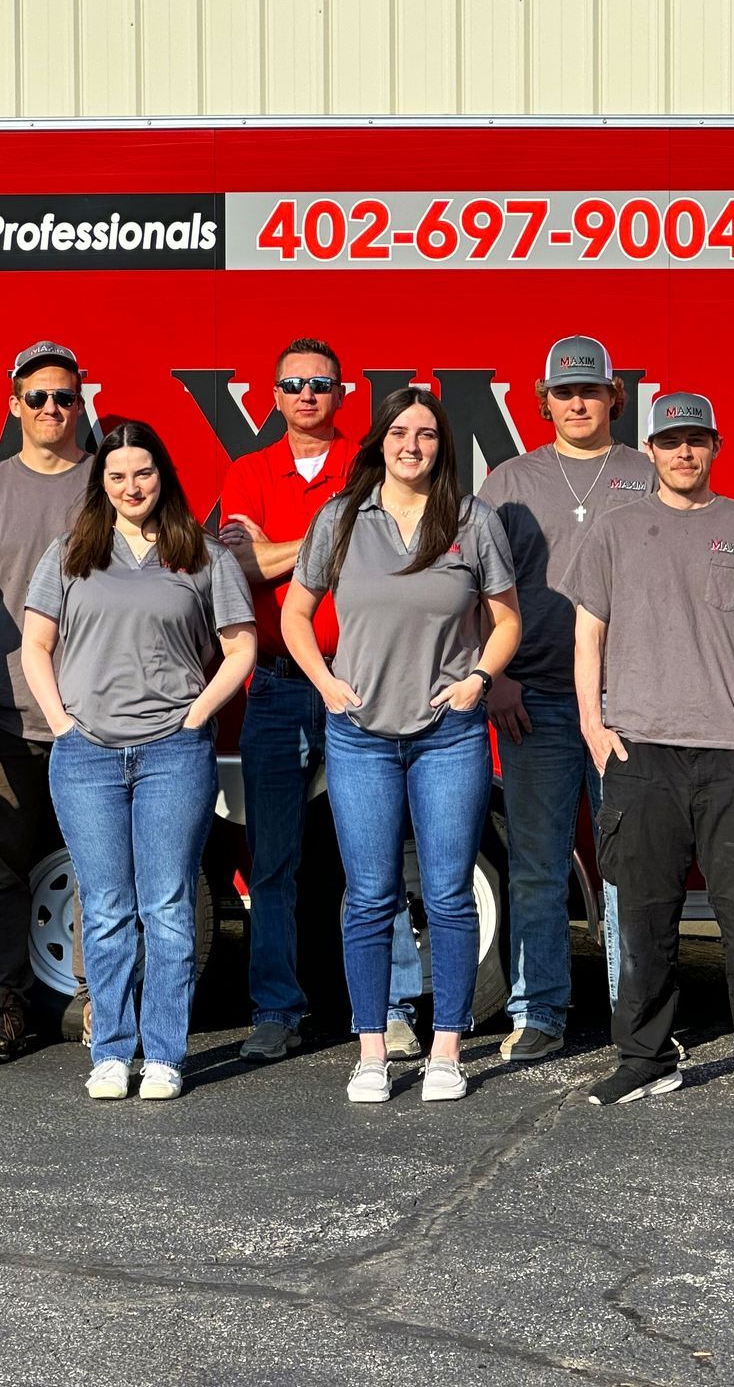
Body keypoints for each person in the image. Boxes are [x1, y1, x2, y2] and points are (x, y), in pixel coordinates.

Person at [573, 391, 734, 1106]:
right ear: (648, 450)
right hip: (641, 753)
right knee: (645, 919)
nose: (684, 452)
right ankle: (646, 1058)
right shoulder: (616, 531)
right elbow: (588, 632)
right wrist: (593, 722)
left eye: (696, 440)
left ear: (716, 446)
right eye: (670, 441)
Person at [284, 387, 520, 1104]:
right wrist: (325, 682)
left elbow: (506, 620)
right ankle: (372, 1051)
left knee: (448, 894)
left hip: (448, 736)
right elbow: (297, 613)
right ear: (379, 442)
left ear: (442, 446)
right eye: (399, 433)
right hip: (359, 737)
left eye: (425, 434)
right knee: (369, 897)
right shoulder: (342, 519)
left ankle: (447, 1047)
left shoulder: (471, 521)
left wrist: (479, 678)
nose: (411, 445)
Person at [22, 420, 255, 1103]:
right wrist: (63, 722)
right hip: (87, 755)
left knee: (170, 906)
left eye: (144, 473)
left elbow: (240, 645)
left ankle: (163, 1054)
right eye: (118, 475)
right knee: (105, 907)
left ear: (164, 477)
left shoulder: (200, 555)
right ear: (101, 483)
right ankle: (111, 1050)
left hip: (172, 755)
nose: (131, 486)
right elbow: (37, 645)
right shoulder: (68, 554)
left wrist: (197, 714)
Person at [219, 338, 426, 1064]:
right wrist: (324, 535)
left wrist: (278, 548)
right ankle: (278, 1011)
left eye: (321, 384)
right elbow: (237, 564)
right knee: (274, 859)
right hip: (275, 685)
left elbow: (382, 552)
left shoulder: (368, 465)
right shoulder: (247, 472)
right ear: (273, 396)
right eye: (293, 384)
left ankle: (393, 1010)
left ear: (342, 395)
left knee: (376, 857)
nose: (307, 395)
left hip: (361, 679)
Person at [478, 334, 652, 1062]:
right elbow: (473, 589)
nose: (576, 402)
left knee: (631, 866)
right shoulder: (507, 483)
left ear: (614, 396)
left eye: (590, 390)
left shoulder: (649, 475)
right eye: (562, 392)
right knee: (539, 866)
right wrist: (499, 678)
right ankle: (539, 1012)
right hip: (537, 701)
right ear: (542, 399)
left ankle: (634, 1015)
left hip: (629, 702)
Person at [0, 341, 94, 1069]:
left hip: (97, 711)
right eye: (37, 398)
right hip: (3, 711)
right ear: (14, 404)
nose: (52, 410)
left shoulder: (111, 483)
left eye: (65, 397)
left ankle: (106, 1005)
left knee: (103, 864)